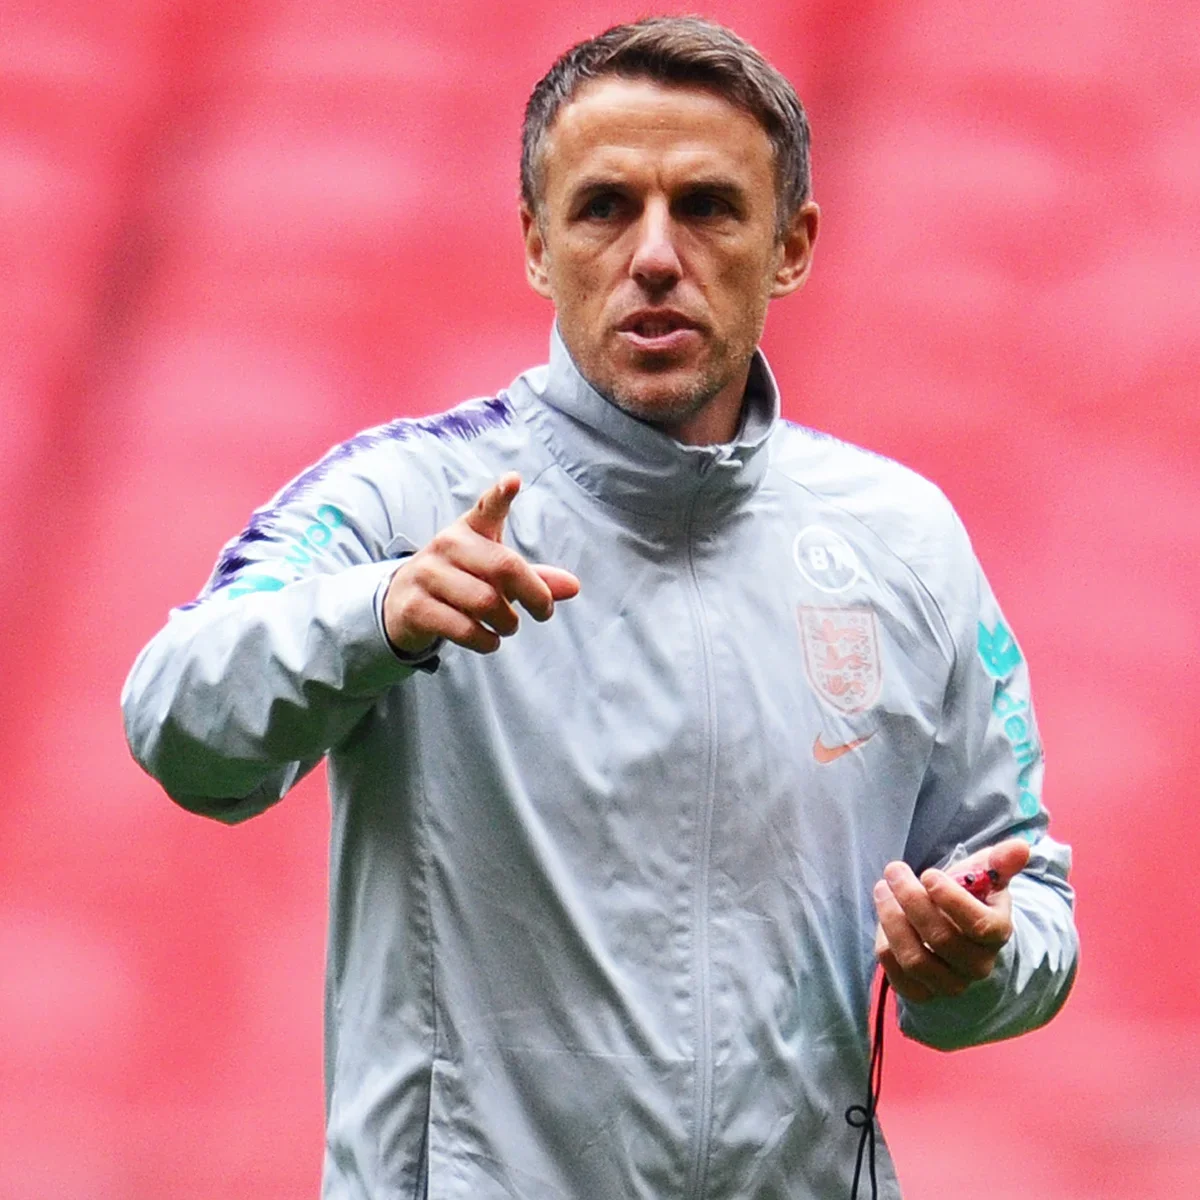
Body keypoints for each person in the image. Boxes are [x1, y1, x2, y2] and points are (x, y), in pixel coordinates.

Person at [122, 17, 1078, 1199]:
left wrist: (971, 967)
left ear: (793, 245)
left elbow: (1028, 892)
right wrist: (375, 615)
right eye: (605, 207)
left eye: (711, 207)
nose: (657, 254)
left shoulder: (903, 538)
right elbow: (177, 725)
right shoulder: (402, 499)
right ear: (536, 244)